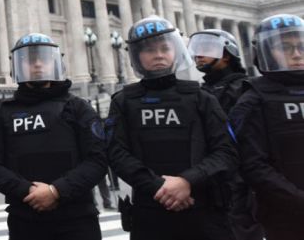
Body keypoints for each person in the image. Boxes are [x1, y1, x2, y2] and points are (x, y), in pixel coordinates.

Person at [107, 16, 237, 240]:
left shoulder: (201, 97)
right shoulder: (123, 101)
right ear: (136, 56)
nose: (158, 54)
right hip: (150, 211)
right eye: (149, 50)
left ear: (175, 50)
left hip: (203, 208)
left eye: (164, 47)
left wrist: (187, 181)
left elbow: (226, 151)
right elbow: (116, 153)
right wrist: (159, 187)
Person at [0, 33, 107, 240]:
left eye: (44, 59)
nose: (38, 64)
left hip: (77, 218)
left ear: (56, 63)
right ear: (18, 66)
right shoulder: (5, 112)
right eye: (30, 60)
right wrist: (27, 191)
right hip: (25, 219)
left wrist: (56, 191)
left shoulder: (77, 107)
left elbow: (98, 159)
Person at [229, 14, 304, 239]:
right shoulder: (252, 101)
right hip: (286, 215)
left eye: (301, 46)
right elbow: (253, 165)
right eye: (285, 47)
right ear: (264, 52)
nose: (297, 54)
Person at [188, 29, 263, 240]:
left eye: (206, 49)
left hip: (239, 184)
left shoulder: (244, 88)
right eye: (196, 50)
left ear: (226, 54)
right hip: (209, 184)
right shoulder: (201, 92)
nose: (198, 55)